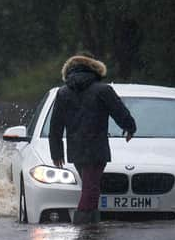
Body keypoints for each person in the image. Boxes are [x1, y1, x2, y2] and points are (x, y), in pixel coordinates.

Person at [49, 53, 136, 224]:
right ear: (95, 70)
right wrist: (130, 127)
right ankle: (83, 228)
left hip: (76, 149)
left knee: (91, 188)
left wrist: (56, 153)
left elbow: (55, 126)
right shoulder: (103, 90)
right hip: (97, 148)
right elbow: (120, 112)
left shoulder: (63, 93)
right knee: (91, 189)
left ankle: (92, 231)